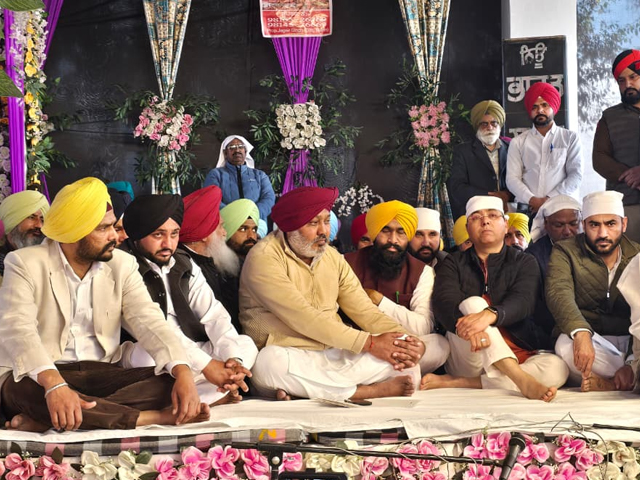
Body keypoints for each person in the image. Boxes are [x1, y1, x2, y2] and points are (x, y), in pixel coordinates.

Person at [0, 178, 207, 432]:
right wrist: (54, 384)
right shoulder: (24, 263)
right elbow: (18, 329)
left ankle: (52, 419)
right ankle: (150, 418)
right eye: (103, 228)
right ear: (74, 231)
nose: (114, 236)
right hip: (44, 373)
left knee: (171, 381)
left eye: (112, 226)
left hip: (103, 373)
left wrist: (182, 371)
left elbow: (149, 320)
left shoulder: (122, 264)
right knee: (19, 390)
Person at [240, 187, 425, 401]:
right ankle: (364, 391)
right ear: (290, 227)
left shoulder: (332, 257)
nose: (324, 231)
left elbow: (364, 310)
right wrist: (371, 343)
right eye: (313, 223)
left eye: (327, 221)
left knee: (407, 363)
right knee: (268, 364)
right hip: (290, 353)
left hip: (333, 354)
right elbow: (305, 318)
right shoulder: (264, 258)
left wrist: (408, 341)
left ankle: (309, 391)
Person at [422, 196, 568, 401]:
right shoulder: (452, 262)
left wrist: (491, 315)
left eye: (492, 215)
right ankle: (521, 380)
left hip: (517, 353)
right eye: (476, 218)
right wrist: (470, 328)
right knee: (473, 303)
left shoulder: (524, 261)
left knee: (558, 369)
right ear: (467, 227)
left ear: (505, 224)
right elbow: (443, 303)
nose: (485, 221)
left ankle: (462, 383)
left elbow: (524, 301)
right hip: (470, 352)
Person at [122, 193, 258, 404]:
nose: (168, 243)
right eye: (158, 235)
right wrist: (206, 365)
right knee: (146, 355)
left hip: (193, 352)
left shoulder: (183, 262)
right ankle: (208, 395)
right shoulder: (124, 266)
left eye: (174, 234)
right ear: (139, 235)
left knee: (244, 344)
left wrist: (233, 360)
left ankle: (195, 396)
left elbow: (214, 314)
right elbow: (157, 330)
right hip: (154, 350)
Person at [547, 191, 640, 391]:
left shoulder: (637, 255)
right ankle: (630, 378)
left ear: (624, 224)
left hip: (631, 341)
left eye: (611, 224)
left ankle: (615, 379)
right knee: (565, 345)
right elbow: (559, 293)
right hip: (590, 339)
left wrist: (631, 360)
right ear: (584, 225)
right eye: (594, 225)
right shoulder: (565, 251)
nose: (603, 233)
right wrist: (581, 332)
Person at [344, 201, 449, 375]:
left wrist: (379, 301)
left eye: (401, 232)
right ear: (374, 232)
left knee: (440, 344)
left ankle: (376, 375)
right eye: (385, 231)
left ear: (408, 236)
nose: (393, 240)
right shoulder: (345, 263)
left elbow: (423, 327)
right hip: (358, 346)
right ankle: (396, 373)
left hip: (401, 345)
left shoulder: (422, 272)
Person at [506, 82, 583, 215]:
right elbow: (512, 179)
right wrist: (532, 200)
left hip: (561, 209)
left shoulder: (570, 138)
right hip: (527, 209)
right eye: (534, 107)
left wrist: (549, 200)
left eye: (544, 105)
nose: (540, 110)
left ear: (553, 106)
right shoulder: (518, 142)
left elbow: (575, 175)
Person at [180, 186, 243, 332]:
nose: (225, 233)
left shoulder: (216, 259)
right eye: (220, 227)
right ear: (203, 234)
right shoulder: (186, 269)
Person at [593, 49, 640, 243]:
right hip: (625, 205)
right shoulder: (609, 117)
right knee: (628, 260)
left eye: (633, 77)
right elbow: (599, 158)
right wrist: (631, 176)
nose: (627, 84)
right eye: (621, 80)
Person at [447, 100, 512, 219]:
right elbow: (457, 187)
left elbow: (523, 180)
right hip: (476, 214)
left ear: (500, 125)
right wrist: (490, 196)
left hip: (508, 212)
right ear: (477, 126)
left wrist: (507, 195)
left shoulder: (512, 148)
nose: (489, 127)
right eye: (484, 124)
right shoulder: (463, 152)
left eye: (494, 123)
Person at [204, 135, 276, 221]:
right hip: (227, 223)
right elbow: (212, 199)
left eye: (241, 146)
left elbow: (269, 198)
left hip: (256, 222)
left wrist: (252, 215)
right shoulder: (216, 175)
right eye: (232, 147)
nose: (237, 150)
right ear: (225, 153)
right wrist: (235, 217)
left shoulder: (260, 175)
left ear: (245, 151)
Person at [527, 195, 582, 277]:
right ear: (546, 224)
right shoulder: (533, 257)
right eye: (559, 225)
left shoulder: (591, 249)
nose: (567, 231)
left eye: (573, 224)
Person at [0, 190, 49, 281]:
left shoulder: (47, 262)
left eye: (42, 220)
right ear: (12, 220)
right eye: (31, 217)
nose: (39, 225)